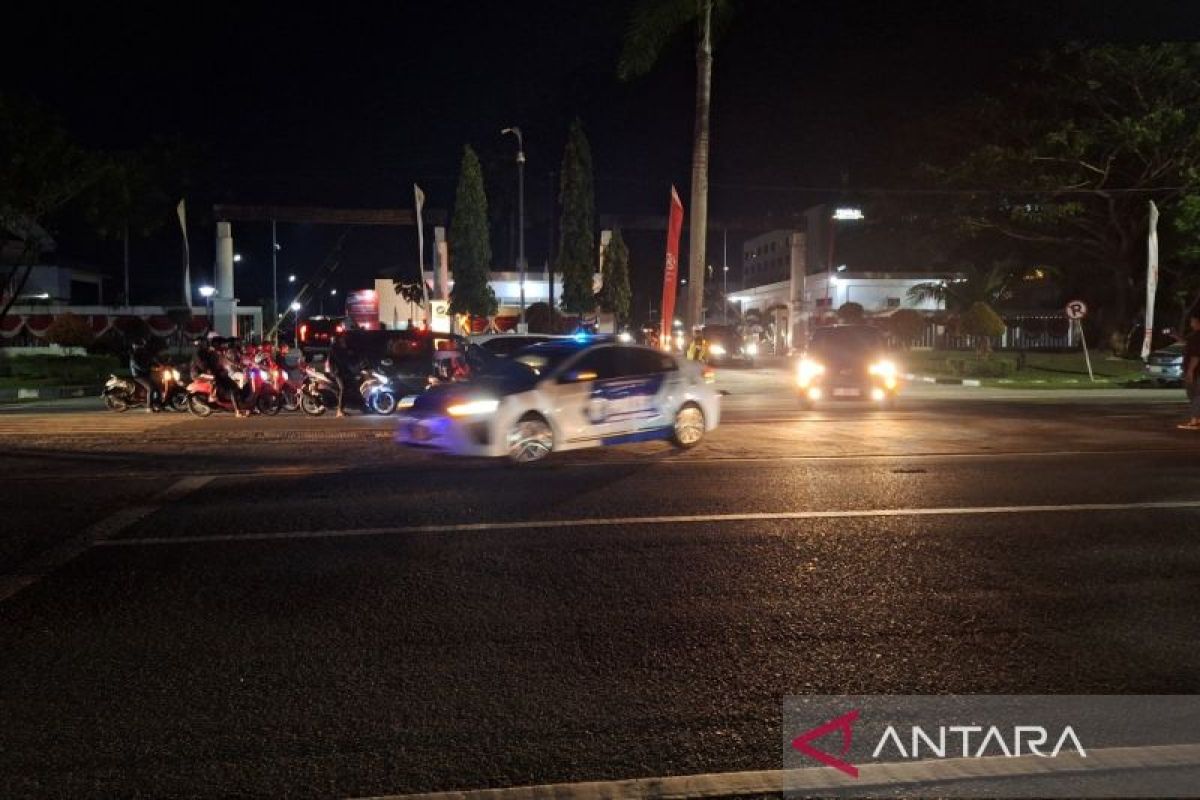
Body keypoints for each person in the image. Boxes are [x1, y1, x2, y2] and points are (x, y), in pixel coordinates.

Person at [1179, 312, 1200, 430]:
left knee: (1196, 395)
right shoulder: (1194, 336)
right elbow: (1187, 344)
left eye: (1192, 321)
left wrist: (1190, 371)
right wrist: (1176, 336)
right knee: (1195, 395)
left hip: (1196, 372)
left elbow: (1196, 356)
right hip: (1195, 371)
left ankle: (1195, 421)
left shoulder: (1196, 337)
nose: (1190, 323)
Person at [129, 340, 160, 412]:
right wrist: (149, 368)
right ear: (136, 346)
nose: (142, 347)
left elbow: (152, 362)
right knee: (151, 388)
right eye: (140, 345)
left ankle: (157, 405)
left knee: (158, 387)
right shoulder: (134, 356)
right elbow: (138, 366)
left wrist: (160, 365)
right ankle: (149, 407)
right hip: (138, 376)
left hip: (146, 375)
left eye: (142, 345)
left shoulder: (145, 354)